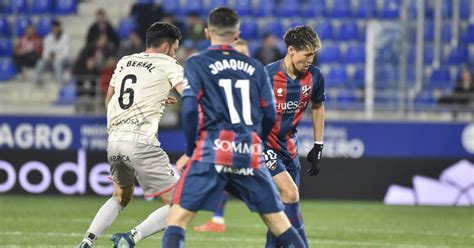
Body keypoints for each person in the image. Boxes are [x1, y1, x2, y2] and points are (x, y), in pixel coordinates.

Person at [162, 7, 305, 248]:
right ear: (237, 34)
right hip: (248, 152)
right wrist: (256, 138)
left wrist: (191, 146)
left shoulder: (197, 62)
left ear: (207, 33)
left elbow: (188, 110)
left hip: (211, 151)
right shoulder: (256, 67)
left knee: (177, 220)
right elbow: (269, 112)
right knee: (281, 225)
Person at [77, 22, 185, 248]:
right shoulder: (168, 63)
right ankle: (131, 237)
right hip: (141, 143)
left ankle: (87, 242)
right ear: (166, 47)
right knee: (180, 202)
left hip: (115, 141)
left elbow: (110, 100)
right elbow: (189, 93)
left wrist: (153, 97)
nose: (175, 53)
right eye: (175, 49)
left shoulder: (125, 61)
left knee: (120, 196)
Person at [263, 25, 325, 248]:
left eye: (313, 55)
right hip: (264, 146)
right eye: (307, 54)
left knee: (288, 209)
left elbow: (317, 107)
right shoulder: (266, 75)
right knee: (290, 193)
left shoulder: (315, 77)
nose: (310, 60)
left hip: (289, 148)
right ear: (291, 50)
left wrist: (318, 145)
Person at [191, 38, 250, 233]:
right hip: (228, 138)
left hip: (249, 139)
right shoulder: (225, 82)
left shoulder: (256, 79)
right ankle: (217, 219)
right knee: (221, 177)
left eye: (243, 53)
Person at [33, 19, 70, 86]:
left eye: (56, 27)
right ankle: (36, 81)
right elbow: (45, 52)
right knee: (40, 62)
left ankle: (59, 83)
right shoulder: (48, 38)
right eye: (53, 27)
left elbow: (65, 52)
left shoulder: (65, 37)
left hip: (62, 60)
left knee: (57, 63)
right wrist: (49, 57)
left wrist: (55, 57)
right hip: (49, 60)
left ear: (59, 27)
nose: (55, 29)